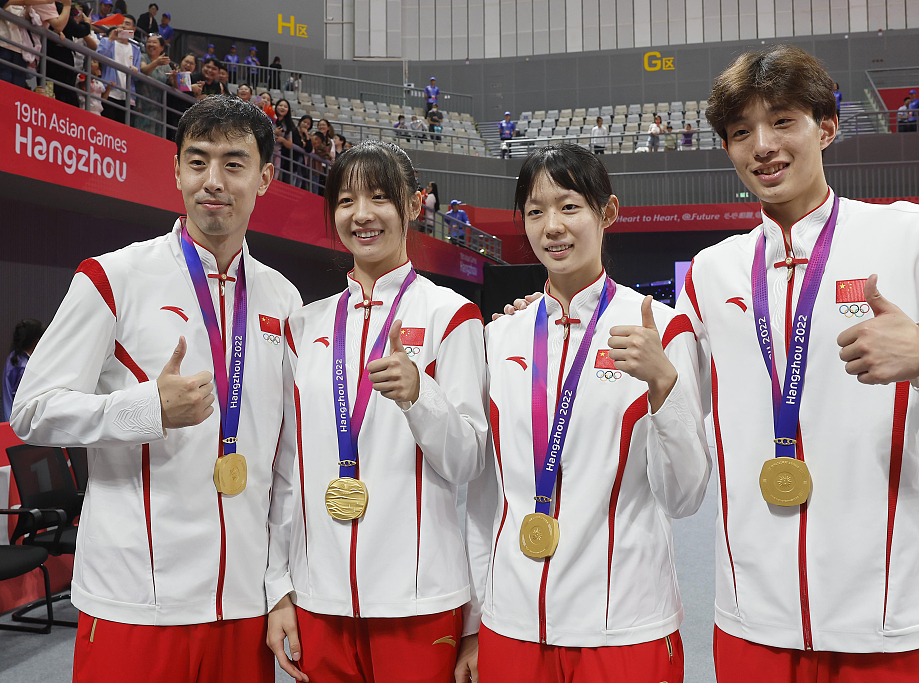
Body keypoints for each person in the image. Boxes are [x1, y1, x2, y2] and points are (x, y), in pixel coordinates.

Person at [688, 44, 919, 682]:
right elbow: (678, 416)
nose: (762, 145)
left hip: (892, 616)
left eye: (782, 120)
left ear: (827, 125)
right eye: (741, 131)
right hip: (754, 617)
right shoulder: (712, 272)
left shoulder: (917, 237)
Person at [11, 95, 302, 683]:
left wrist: (279, 589)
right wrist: (145, 408)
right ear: (175, 171)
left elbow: (287, 464)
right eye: (196, 162)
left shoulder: (283, 299)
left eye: (233, 163)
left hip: (241, 606)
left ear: (266, 178)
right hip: (134, 601)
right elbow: (32, 411)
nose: (212, 181)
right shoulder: (112, 277)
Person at [467, 143, 710, 683]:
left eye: (570, 206)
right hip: (513, 621)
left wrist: (663, 382)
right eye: (535, 211)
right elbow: (485, 497)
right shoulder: (498, 336)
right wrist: (475, 615)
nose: (552, 225)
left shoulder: (663, 331)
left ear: (608, 213)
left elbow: (686, 494)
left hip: (622, 622)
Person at [265, 139, 487, 683]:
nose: (362, 215)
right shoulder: (305, 326)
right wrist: (279, 590)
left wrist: (420, 396)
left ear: (413, 206)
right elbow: (287, 473)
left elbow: (468, 463)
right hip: (321, 598)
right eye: (346, 201)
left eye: (381, 197)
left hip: (419, 597)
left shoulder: (451, 316)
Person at [96, 16, 141, 125]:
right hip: (109, 92)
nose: (123, 26)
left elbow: (137, 76)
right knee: (107, 127)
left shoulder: (136, 49)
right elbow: (98, 57)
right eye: (121, 23)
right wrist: (111, 39)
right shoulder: (107, 41)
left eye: (127, 23)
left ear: (133, 29)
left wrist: (135, 71)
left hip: (127, 95)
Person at [2, 319, 43, 422]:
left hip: (8, 418)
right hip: (15, 424)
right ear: (37, 342)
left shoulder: (13, 357)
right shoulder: (23, 368)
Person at [134, 33, 171, 136]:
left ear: (162, 47)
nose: (151, 44)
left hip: (158, 108)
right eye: (149, 42)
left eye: (154, 42)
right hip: (142, 105)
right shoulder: (143, 57)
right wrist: (156, 63)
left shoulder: (166, 65)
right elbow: (144, 70)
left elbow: (173, 83)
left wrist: (175, 77)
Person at [272, 98, 302, 185]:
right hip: (266, 151)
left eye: (285, 106)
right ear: (276, 106)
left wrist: (283, 140)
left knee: (275, 176)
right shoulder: (269, 118)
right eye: (280, 105)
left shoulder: (288, 124)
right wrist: (274, 133)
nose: (282, 108)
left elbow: (290, 144)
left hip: (278, 153)